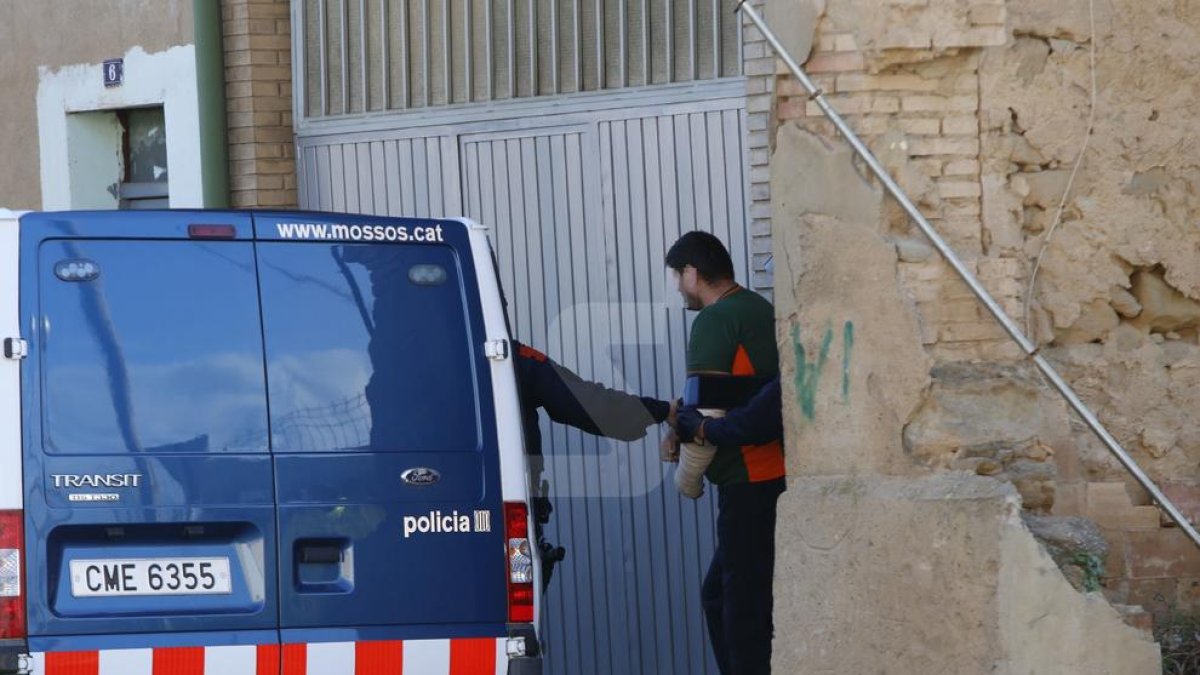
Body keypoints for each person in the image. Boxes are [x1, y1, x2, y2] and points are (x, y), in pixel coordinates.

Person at [665, 231, 785, 675]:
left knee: (740, 612)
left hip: (747, 481)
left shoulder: (714, 321)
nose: (679, 287)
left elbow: (707, 416)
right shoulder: (760, 309)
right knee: (730, 597)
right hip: (775, 475)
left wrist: (687, 480)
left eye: (678, 276)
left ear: (693, 273)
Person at [511, 339, 672, 589]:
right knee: (515, 605)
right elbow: (581, 400)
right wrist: (660, 411)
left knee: (515, 605)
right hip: (507, 518)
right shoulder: (506, 355)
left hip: (460, 519)